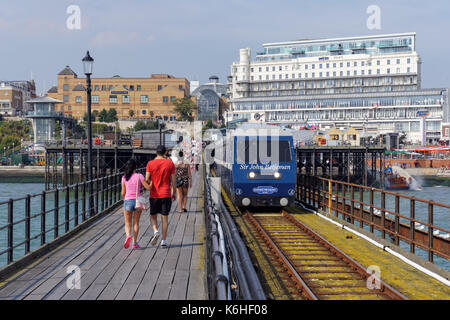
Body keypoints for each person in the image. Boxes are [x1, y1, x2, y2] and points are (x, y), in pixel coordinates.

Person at [146, 145, 176, 248]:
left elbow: (147, 179)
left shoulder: (150, 163)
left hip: (154, 194)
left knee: (153, 216)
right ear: (165, 152)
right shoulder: (170, 163)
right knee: (165, 218)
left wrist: (151, 183)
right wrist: (174, 192)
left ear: (156, 152)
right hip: (166, 193)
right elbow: (173, 180)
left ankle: (155, 231)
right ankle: (163, 240)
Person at [121, 158, 151, 250]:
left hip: (128, 201)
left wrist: (124, 200)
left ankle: (128, 236)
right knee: (136, 223)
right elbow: (148, 188)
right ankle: (134, 243)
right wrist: (152, 182)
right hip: (138, 201)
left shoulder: (124, 177)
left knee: (127, 223)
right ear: (136, 167)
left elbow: (123, 192)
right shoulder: (139, 176)